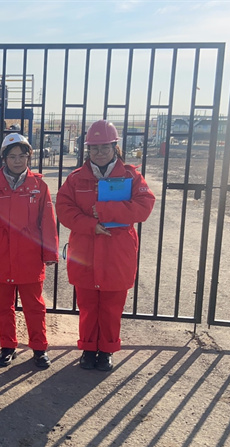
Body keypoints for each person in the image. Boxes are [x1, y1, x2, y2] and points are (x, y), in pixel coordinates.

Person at [55, 120, 155, 371]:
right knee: (88, 304)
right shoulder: (76, 179)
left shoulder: (131, 176)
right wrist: (91, 225)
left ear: (115, 147)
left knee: (112, 305)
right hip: (86, 248)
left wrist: (103, 211)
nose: (99, 153)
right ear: (88, 149)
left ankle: (107, 350)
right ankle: (89, 349)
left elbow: (144, 207)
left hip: (116, 251)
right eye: (94, 148)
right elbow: (64, 209)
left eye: (104, 147)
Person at [0, 133, 58, 369]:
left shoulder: (39, 187)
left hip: (29, 256)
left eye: (22, 156)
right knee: (3, 306)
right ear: (4, 158)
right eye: (12, 156)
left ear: (29, 157)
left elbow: (48, 222)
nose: (18, 161)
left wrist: (50, 253)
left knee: (34, 306)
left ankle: (39, 348)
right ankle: (7, 346)